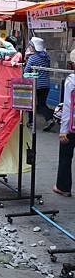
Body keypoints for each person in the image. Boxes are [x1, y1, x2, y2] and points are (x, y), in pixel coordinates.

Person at [54, 49, 75, 197]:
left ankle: (63, 186)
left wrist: (63, 129)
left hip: (72, 127)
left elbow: (67, 106)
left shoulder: (71, 80)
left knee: (66, 156)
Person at [24, 37, 54, 131]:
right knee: (42, 104)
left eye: (30, 45)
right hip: (46, 84)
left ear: (33, 47)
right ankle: (49, 119)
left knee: (31, 103)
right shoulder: (47, 57)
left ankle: (31, 122)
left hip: (36, 84)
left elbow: (26, 71)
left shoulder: (33, 58)